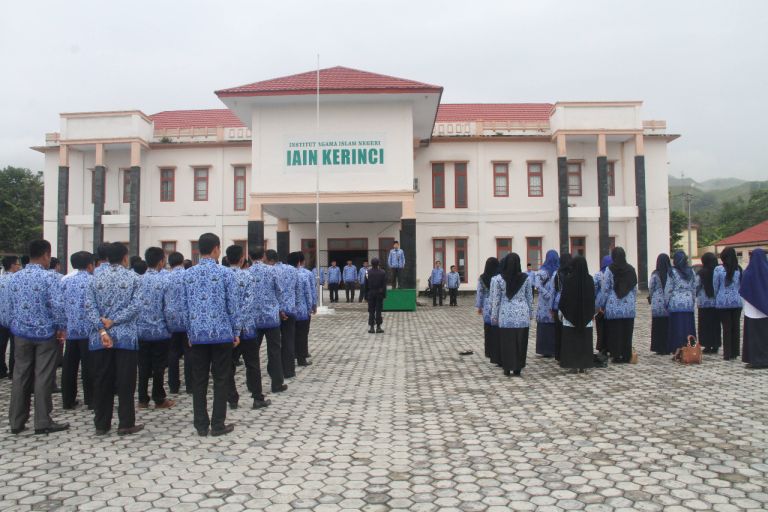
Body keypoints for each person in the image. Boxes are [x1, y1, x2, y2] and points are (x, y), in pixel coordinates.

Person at [7, 240, 69, 435]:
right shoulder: (50, 277)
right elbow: (57, 306)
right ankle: (42, 421)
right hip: (45, 334)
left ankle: (16, 421)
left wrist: (14, 325)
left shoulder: (15, 278)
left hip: (21, 334)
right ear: (45, 255)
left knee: (20, 375)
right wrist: (61, 327)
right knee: (43, 376)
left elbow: (7, 307)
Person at [183, 233, 242, 436]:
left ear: (200, 249)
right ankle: (218, 424)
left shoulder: (188, 274)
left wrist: (189, 333)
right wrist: (236, 331)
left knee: (199, 380)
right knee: (221, 378)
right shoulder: (226, 274)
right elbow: (233, 305)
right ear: (216, 249)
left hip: (198, 335)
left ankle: (200, 424)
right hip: (222, 334)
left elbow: (184, 308)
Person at [84, 242, 143, 435]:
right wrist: (114, 321)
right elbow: (136, 306)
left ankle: (101, 423)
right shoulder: (133, 277)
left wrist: (102, 328)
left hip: (100, 338)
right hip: (125, 336)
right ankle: (125, 422)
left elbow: (89, 307)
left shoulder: (94, 278)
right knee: (126, 381)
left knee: (102, 380)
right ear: (125, 257)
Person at [136, 247, 175, 410]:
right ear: (161, 261)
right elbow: (169, 309)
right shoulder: (165, 281)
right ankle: (159, 398)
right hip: (159, 331)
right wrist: (171, 327)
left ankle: (142, 399)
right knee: (159, 367)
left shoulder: (137, 280)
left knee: (143, 366)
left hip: (141, 331)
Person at [247, 249, 288, 395]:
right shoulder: (272, 271)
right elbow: (280, 291)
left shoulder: (247, 272)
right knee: (275, 351)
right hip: (271, 318)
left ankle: (253, 386)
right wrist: (282, 309)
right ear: (263, 256)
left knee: (252, 354)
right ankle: (276, 383)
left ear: (250, 256)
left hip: (253, 319)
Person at [60, 251, 94, 410]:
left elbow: (59, 305)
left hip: (71, 330)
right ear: (90, 265)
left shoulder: (64, 281)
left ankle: (68, 399)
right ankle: (91, 399)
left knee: (69, 366)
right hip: (89, 331)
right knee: (89, 366)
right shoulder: (93, 281)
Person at [490, 253, 533, 377]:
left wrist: (494, 316)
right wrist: (531, 313)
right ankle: (518, 367)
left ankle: (507, 367)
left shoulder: (499, 279)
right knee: (521, 341)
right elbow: (529, 297)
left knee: (506, 342)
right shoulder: (526, 278)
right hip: (522, 315)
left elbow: (496, 300)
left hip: (505, 314)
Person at [224, 244, 254, 409]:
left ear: (227, 259)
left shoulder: (222, 275)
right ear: (242, 259)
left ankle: (232, 398)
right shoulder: (247, 276)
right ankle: (257, 396)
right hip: (247, 328)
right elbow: (248, 304)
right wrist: (240, 325)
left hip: (227, 330)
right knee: (252, 363)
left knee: (228, 365)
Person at [599, 247, 638, 364]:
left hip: (613, 305)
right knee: (627, 331)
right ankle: (626, 355)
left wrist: (602, 304)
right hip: (628, 306)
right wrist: (632, 301)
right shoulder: (631, 269)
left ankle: (616, 355)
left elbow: (605, 288)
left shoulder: (609, 270)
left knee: (614, 331)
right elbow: (634, 288)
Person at [558, 255, 596, 373]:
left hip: (570, 316)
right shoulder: (589, 279)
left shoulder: (569, 280)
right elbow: (592, 298)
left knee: (571, 340)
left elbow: (564, 298)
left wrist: (562, 311)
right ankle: (583, 364)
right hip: (586, 315)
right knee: (584, 340)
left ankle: (572, 364)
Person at [164, 251, 190, 394]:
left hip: (171, 320)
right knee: (189, 352)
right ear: (182, 261)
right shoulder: (188, 276)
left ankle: (173, 385)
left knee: (173, 353)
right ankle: (191, 385)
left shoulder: (166, 277)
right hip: (187, 319)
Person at [664, 251, 697, 355]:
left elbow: (668, 288)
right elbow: (694, 288)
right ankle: (690, 347)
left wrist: (666, 301)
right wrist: (692, 300)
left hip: (675, 302)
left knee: (676, 326)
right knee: (688, 325)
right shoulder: (691, 272)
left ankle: (676, 348)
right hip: (688, 303)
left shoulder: (672, 272)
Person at [740, 248, 768, 369]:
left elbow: (743, 289)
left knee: (754, 336)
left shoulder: (748, 272)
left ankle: (756, 360)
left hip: (752, 310)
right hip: (765, 310)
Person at [715, 247, 743, 361]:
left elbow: (715, 285)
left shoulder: (719, 269)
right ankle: (735, 352)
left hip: (723, 302)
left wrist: (719, 295)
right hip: (736, 302)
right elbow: (741, 285)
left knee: (726, 328)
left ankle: (727, 353)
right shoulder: (739, 269)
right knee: (736, 327)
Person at [288, 252, 314, 367]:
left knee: (290, 335)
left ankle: (290, 356)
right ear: (299, 262)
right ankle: (301, 358)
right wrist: (311, 307)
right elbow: (308, 293)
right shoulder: (303, 275)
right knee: (302, 335)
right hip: (302, 311)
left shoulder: (284, 275)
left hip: (289, 311)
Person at [275, 255, 299, 379]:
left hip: (275, 312)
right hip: (290, 309)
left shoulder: (272, 270)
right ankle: (289, 371)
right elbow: (298, 290)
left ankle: (276, 371)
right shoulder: (293, 270)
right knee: (288, 341)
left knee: (274, 344)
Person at [0, 255, 22, 379]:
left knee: (1, 345)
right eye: (18, 264)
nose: (19, 266)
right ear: (13, 265)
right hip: (14, 319)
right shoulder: (17, 280)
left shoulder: (0, 279)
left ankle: (1, 370)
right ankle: (13, 371)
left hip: (1, 318)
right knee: (15, 347)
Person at [535, 250, 559, 358]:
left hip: (543, 304)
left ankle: (545, 349)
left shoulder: (541, 271)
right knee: (553, 325)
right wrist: (550, 294)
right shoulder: (558, 271)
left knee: (544, 326)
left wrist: (546, 294)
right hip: (554, 302)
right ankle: (554, 348)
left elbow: (537, 285)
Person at [695, 252, 721, 354]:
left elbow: (696, 286)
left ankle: (707, 345)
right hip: (716, 302)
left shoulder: (701, 273)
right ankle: (716, 345)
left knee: (705, 325)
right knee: (715, 324)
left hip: (704, 303)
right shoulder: (718, 271)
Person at [476, 257, 500, 364]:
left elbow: (479, 293)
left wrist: (479, 306)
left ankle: (488, 351)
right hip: (497, 305)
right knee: (497, 329)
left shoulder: (482, 278)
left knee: (488, 329)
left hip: (486, 306)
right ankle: (497, 351)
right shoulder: (499, 277)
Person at [649, 253, 672, 355]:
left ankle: (658, 347)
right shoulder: (671, 274)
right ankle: (668, 346)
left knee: (657, 326)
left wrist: (651, 297)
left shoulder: (655, 275)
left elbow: (651, 288)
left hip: (657, 304)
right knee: (667, 326)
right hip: (668, 303)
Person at [552, 253, 573, 361]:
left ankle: (559, 354)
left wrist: (551, 307)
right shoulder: (574, 272)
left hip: (559, 301)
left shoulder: (558, 273)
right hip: (571, 300)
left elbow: (554, 289)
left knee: (559, 330)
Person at [593, 255, 611, 355]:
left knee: (600, 326)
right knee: (610, 326)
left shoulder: (598, 275)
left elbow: (594, 289)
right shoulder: (613, 274)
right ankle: (610, 345)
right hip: (611, 302)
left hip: (599, 303)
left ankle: (601, 346)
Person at [366, 258, 387, 333]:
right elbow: (384, 285)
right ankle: (378, 327)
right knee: (378, 310)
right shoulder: (382, 272)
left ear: (371, 264)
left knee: (371, 310)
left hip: (371, 293)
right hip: (379, 293)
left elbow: (365, 285)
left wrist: (366, 295)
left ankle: (371, 327)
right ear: (378, 264)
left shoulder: (367, 272)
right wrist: (384, 294)